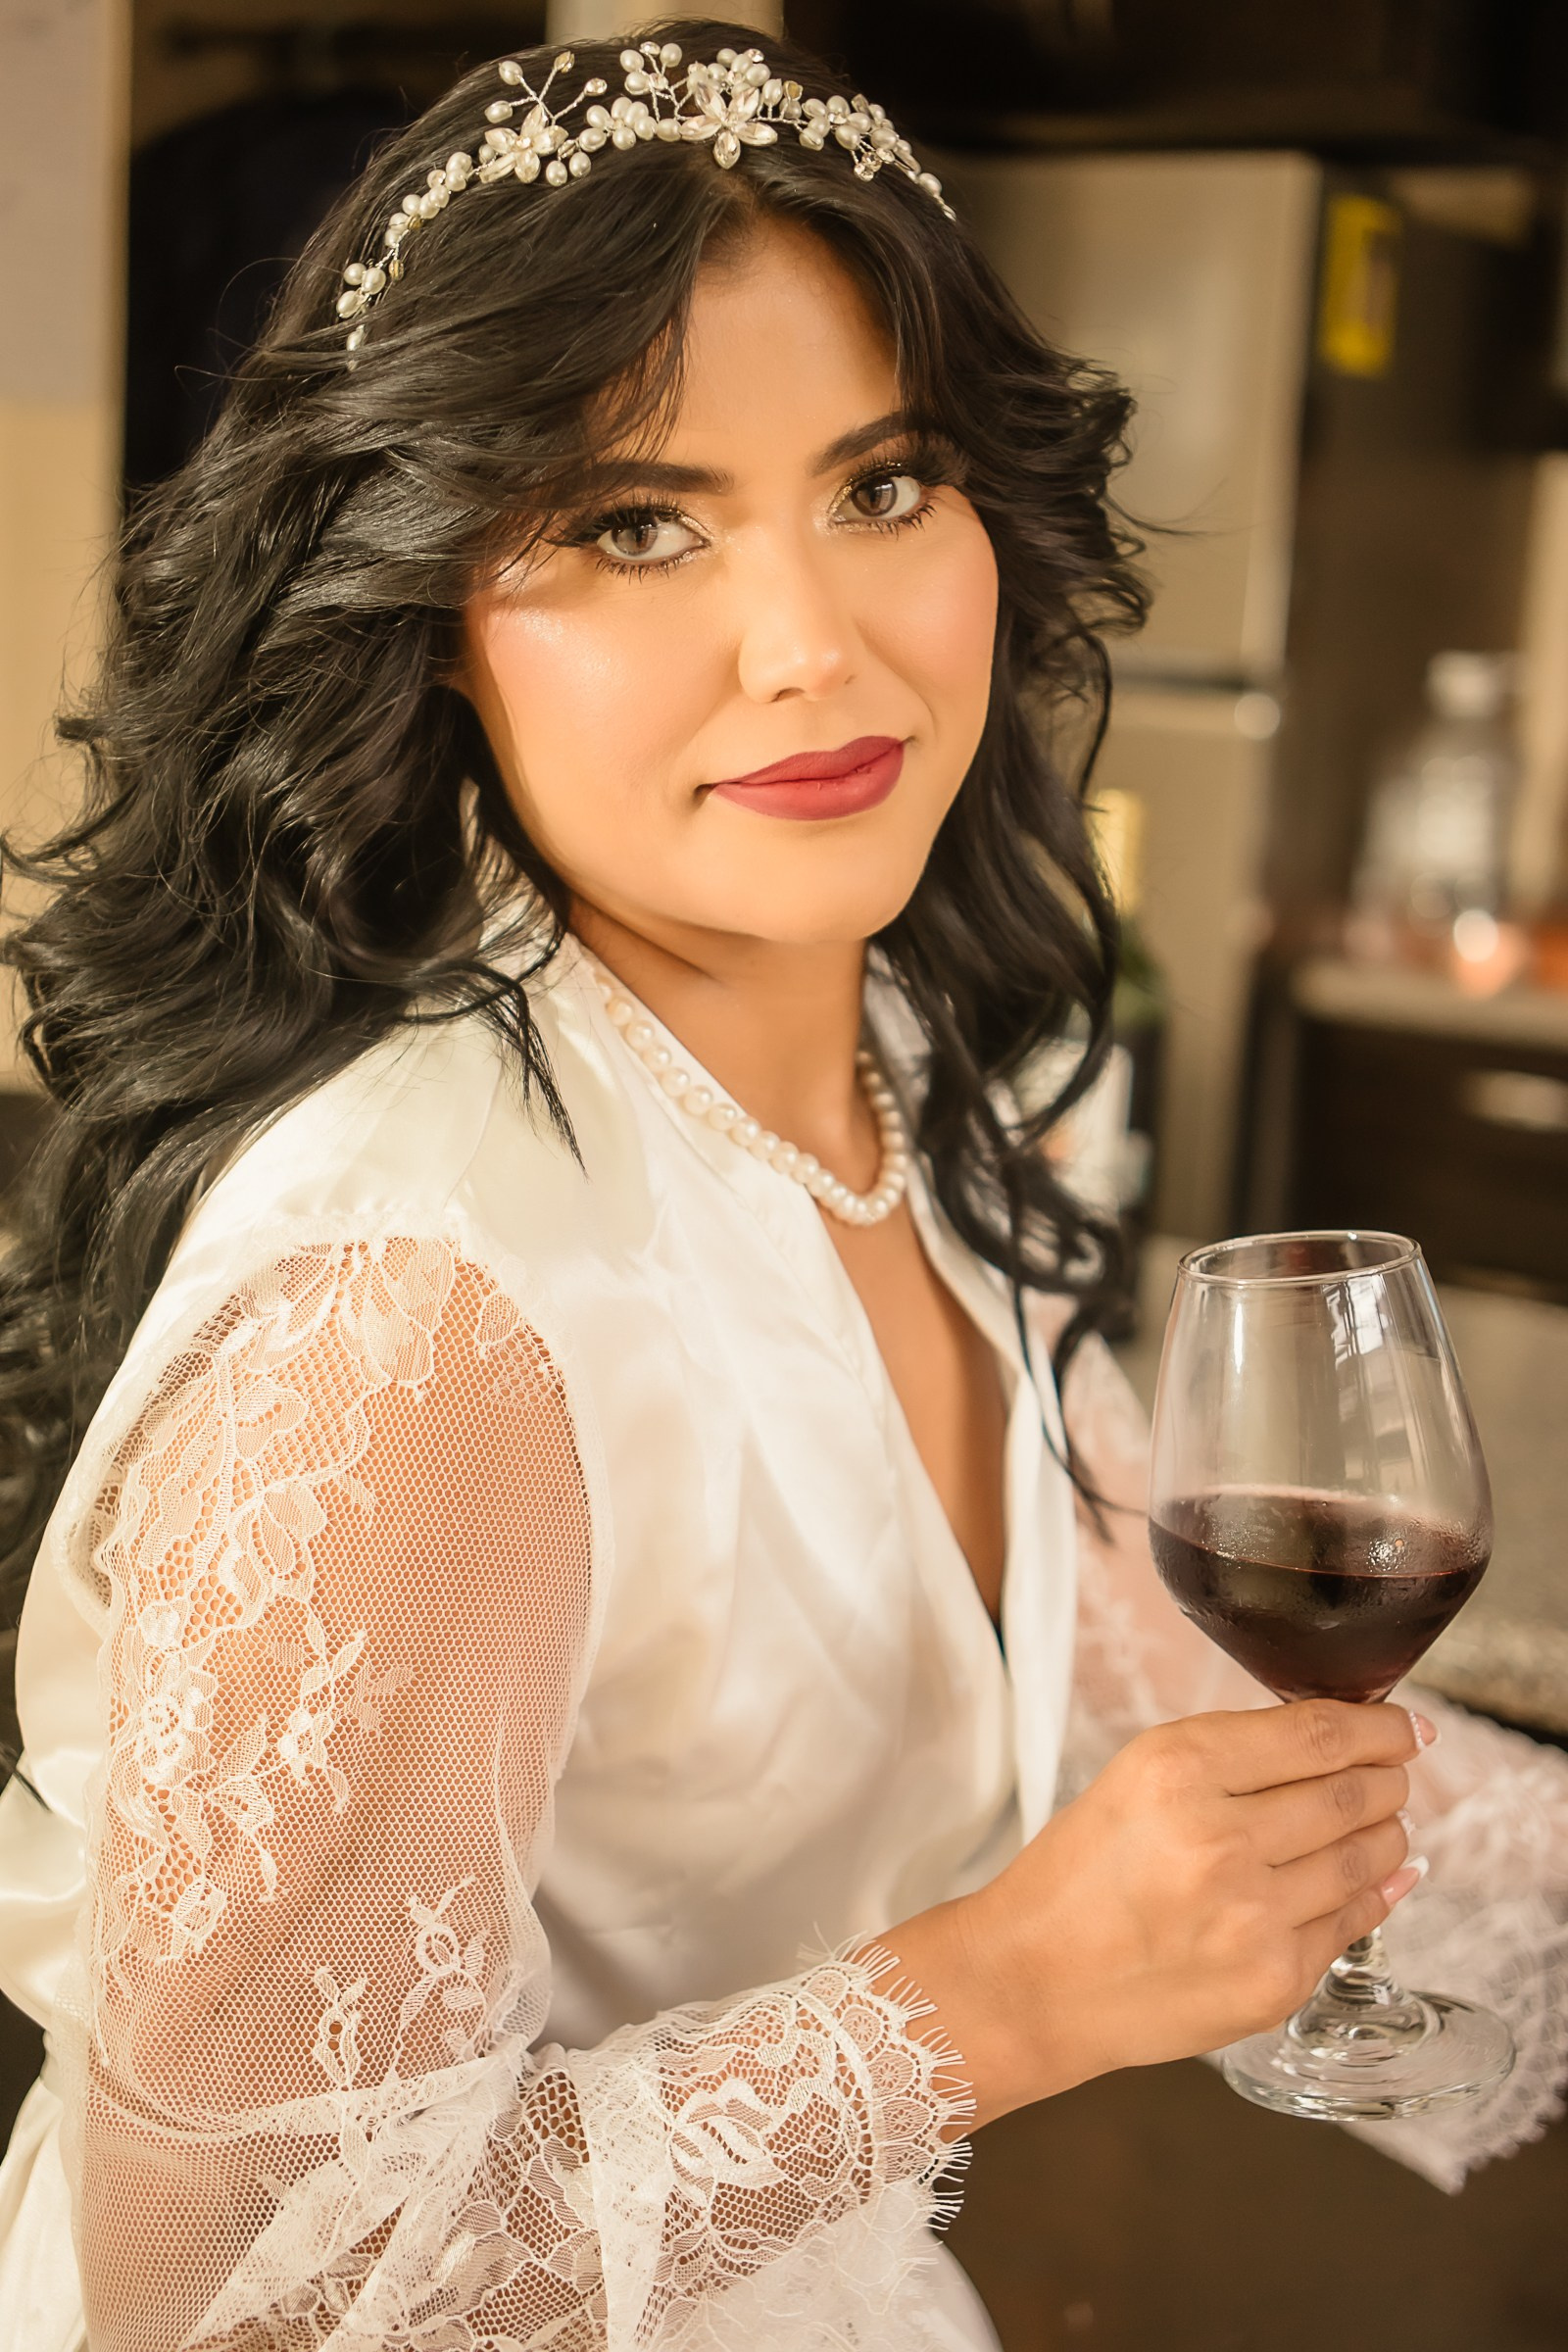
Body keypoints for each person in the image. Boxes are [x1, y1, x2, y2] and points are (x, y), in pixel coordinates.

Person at [0, 19, 1562, 2348]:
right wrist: (1000, 1996)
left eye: (882, 483)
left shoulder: (893, 1080)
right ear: (425, 616)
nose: (815, 645)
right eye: (635, 524)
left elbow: (1126, 1661)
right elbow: (219, 2297)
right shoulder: (412, 1320)